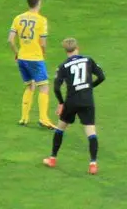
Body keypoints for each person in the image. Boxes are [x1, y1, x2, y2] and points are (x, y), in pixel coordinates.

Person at [43, 38, 103, 175]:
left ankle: (52, 158)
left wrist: (61, 102)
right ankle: (93, 164)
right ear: (78, 48)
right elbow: (102, 76)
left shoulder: (63, 66)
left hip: (72, 101)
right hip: (87, 100)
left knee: (60, 129)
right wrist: (89, 87)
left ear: (65, 50)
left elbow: (57, 87)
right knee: (91, 132)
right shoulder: (88, 60)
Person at [6, 0, 54, 128]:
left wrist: (17, 53)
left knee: (29, 85)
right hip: (35, 58)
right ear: (38, 3)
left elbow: (10, 40)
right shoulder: (41, 20)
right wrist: (43, 54)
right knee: (44, 87)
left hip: (22, 57)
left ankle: (24, 118)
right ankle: (43, 118)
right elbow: (43, 43)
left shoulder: (18, 18)